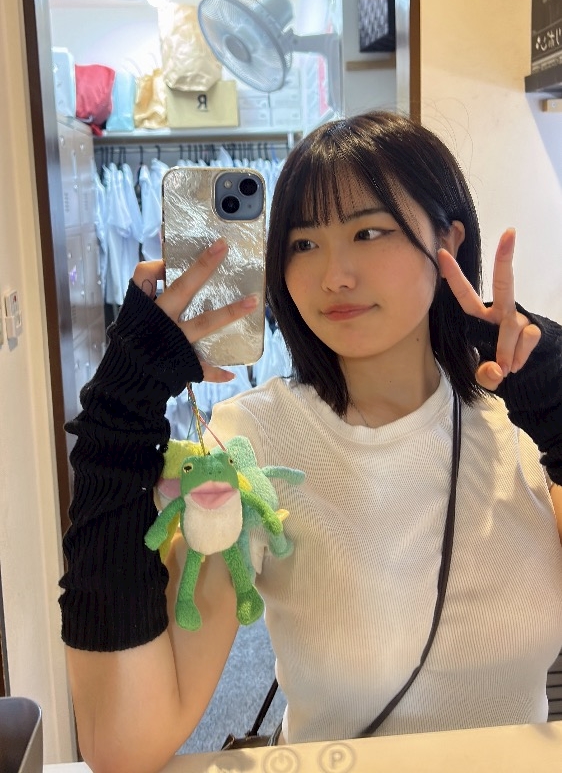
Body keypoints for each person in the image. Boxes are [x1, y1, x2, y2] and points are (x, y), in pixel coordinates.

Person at [59, 111, 562, 773]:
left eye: (368, 231)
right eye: (302, 243)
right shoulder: (253, 446)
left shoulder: (523, 424)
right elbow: (126, 743)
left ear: (448, 239)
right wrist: (120, 416)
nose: (334, 276)